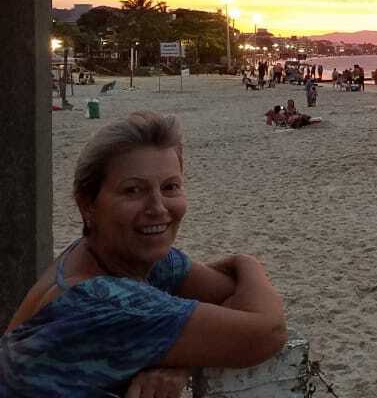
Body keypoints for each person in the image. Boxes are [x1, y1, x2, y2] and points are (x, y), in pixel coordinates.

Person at [0, 112, 286, 396]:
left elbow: (230, 292)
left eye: (170, 187)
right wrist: (247, 261)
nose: (158, 207)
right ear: (87, 205)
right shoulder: (99, 300)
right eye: (133, 190)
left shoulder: (104, 255)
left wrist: (180, 356)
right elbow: (268, 331)